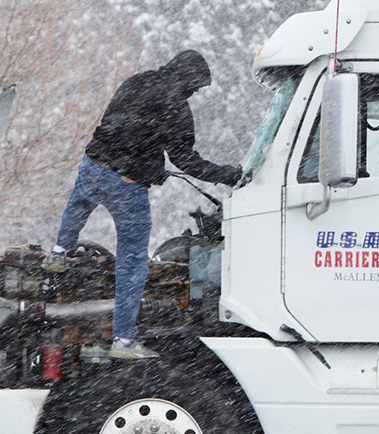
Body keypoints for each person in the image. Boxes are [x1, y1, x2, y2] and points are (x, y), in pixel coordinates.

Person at [48, 50, 240, 359]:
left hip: (92, 164)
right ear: (189, 81)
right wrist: (227, 175)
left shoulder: (136, 81)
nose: (195, 93)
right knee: (133, 261)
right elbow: (184, 158)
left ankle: (58, 252)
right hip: (126, 183)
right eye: (197, 87)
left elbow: (118, 123)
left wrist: (147, 160)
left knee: (79, 205)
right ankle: (123, 340)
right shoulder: (176, 105)